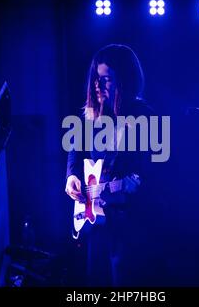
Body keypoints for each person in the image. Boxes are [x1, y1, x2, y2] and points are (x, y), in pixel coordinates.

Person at [64, 44, 154, 286]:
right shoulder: (92, 114)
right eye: (96, 78)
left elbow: (145, 175)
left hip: (127, 222)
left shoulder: (144, 118)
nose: (98, 85)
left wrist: (114, 187)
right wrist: (71, 176)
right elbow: (75, 147)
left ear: (125, 80)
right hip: (96, 219)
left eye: (106, 79)